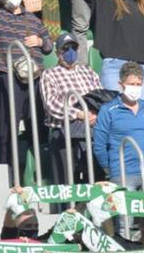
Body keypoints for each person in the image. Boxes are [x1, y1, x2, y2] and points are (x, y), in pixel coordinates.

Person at [0, 0, 52, 175]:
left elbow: (49, 46)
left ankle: (41, 171)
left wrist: (40, 41)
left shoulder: (33, 19)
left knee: (39, 125)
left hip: (34, 76)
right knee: (8, 126)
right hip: (6, 73)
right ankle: (8, 174)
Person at [40, 33, 102, 184]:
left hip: (91, 130)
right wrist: (79, 114)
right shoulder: (49, 74)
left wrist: (95, 114)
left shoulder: (88, 71)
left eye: (73, 47)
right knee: (66, 183)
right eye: (65, 48)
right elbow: (52, 104)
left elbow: (101, 95)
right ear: (57, 52)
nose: (70, 52)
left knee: (95, 179)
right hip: (64, 131)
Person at [91, 0, 144, 101]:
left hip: (142, 68)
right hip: (115, 66)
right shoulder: (108, 0)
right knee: (116, 111)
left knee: (139, 114)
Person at [93, 62, 144, 187]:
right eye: (131, 84)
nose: (135, 88)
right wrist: (110, 169)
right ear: (121, 84)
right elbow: (99, 145)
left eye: (138, 84)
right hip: (123, 174)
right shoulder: (108, 110)